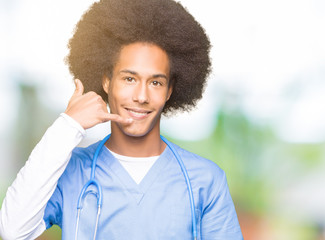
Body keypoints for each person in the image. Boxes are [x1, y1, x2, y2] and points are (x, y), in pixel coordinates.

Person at [0, 0, 243, 239]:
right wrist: (68, 125)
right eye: (129, 79)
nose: (141, 96)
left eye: (156, 82)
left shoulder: (204, 180)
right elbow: (13, 231)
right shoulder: (72, 171)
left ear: (169, 91)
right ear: (107, 81)